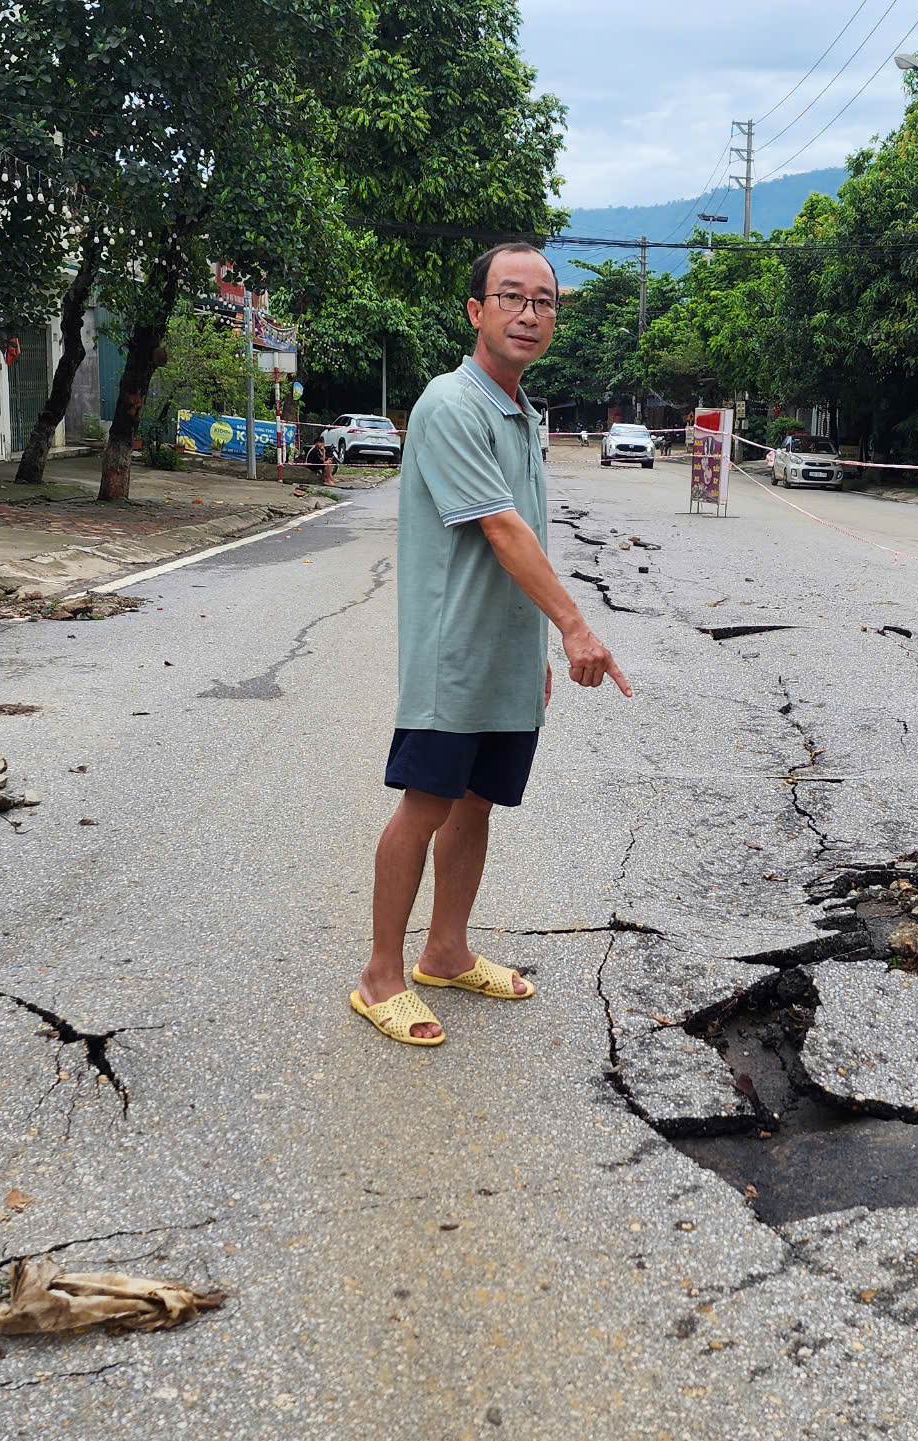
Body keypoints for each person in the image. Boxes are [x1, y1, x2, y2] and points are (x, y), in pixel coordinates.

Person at [350, 242, 633, 1047]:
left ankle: (445, 951)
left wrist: (532, 649)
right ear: (476, 311)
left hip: (504, 654)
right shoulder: (452, 404)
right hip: (453, 654)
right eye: (512, 298)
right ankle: (379, 976)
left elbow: (522, 541)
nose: (530, 314)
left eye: (544, 302)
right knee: (427, 802)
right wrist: (575, 626)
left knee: (477, 804)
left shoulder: (522, 410)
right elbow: (501, 530)